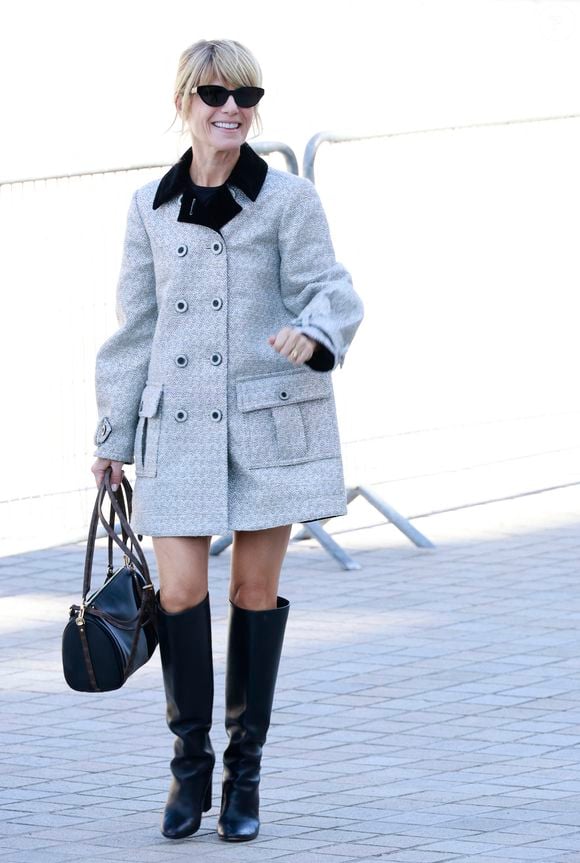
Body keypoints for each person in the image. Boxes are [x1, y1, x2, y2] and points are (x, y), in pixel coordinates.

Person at [91, 38, 364, 842]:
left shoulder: (288, 201)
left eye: (246, 94)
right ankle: (189, 770)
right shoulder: (148, 205)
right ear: (186, 101)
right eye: (215, 94)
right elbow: (134, 326)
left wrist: (315, 335)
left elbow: (331, 288)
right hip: (174, 428)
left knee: (253, 594)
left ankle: (244, 777)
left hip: (261, 423)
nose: (231, 108)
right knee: (178, 594)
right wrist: (111, 432)